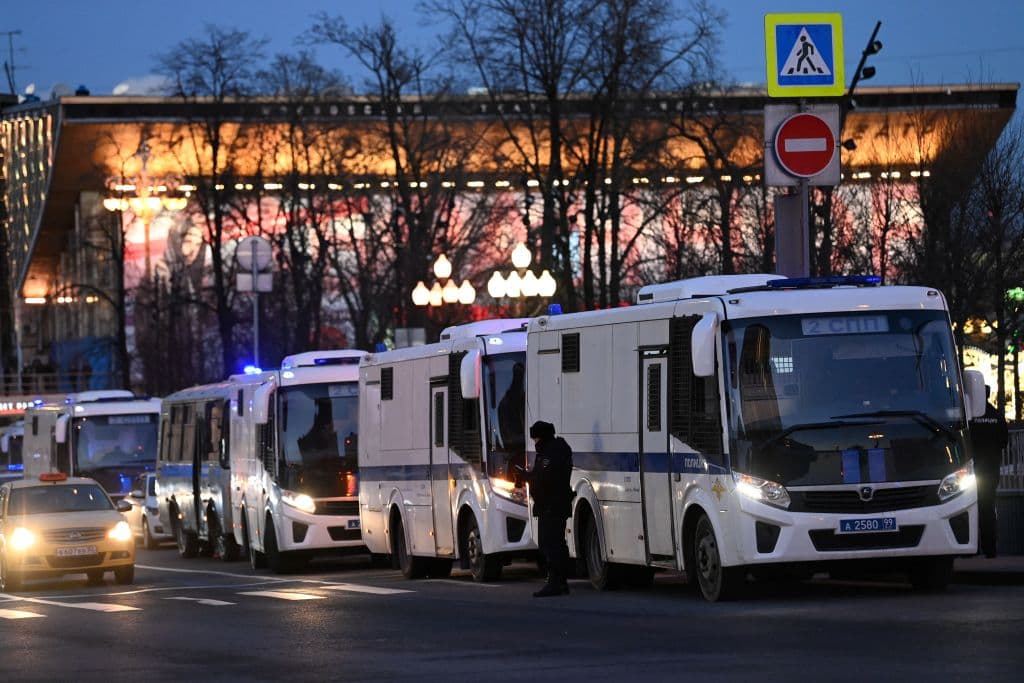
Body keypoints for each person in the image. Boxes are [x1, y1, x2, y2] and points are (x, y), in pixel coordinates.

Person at [517, 420, 574, 598]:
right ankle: (561, 581)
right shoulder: (556, 450)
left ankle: (554, 582)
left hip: (551, 505)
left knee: (549, 544)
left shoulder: (550, 453)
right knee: (557, 543)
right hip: (556, 504)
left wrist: (525, 476)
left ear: (541, 437)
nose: (534, 443)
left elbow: (544, 479)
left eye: (535, 439)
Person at [969, 385, 1008, 558]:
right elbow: (1004, 442)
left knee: (970, 509)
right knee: (988, 509)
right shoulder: (997, 416)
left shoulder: (970, 418)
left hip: (972, 471)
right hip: (991, 470)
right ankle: (990, 549)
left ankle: (972, 548)